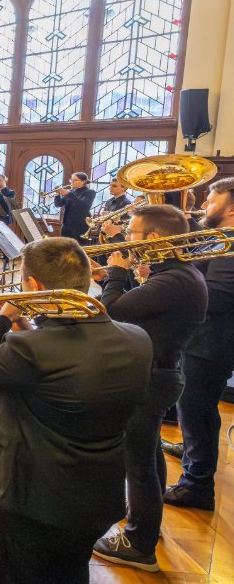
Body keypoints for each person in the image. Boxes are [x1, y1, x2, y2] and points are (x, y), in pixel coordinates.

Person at [0, 237, 153, 582]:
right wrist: (27, 329)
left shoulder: (33, 351)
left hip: (31, 500)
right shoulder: (137, 338)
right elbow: (69, 370)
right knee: (71, 574)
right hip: (97, 496)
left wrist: (4, 319)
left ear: (33, 285)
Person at [91, 205, 207, 572]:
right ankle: (147, 523)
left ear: (154, 238)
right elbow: (133, 309)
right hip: (159, 373)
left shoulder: (173, 281)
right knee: (149, 454)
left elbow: (111, 312)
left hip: (150, 378)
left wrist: (115, 273)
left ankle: (139, 544)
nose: (127, 239)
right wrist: (122, 278)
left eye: (134, 234)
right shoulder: (175, 275)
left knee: (137, 462)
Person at [165, 177, 234, 512]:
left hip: (210, 343)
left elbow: (217, 296)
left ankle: (197, 486)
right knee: (194, 409)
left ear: (231, 208)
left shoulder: (231, 244)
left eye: (212, 199)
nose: (205, 204)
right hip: (200, 338)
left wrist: (174, 281)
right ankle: (194, 453)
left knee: (198, 410)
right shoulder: (218, 238)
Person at [54, 172, 97, 245]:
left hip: (80, 226)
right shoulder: (71, 191)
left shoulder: (90, 192)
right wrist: (57, 195)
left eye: (75, 180)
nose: (72, 182)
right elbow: (59, 204)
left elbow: (84, 206)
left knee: (77, 248)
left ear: (83, 181)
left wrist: (68, 194)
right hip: (66, 225)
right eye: (71, 180)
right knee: (64, 247)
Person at [96, 180, 135, 244]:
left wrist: (113, 219)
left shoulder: (127, 203)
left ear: (124, 188)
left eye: (114, 186)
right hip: (105, 233)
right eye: (110, 185)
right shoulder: (108, 201)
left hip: (116, 237)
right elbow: (105, 218)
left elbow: (126, 224)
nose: (110, 188)